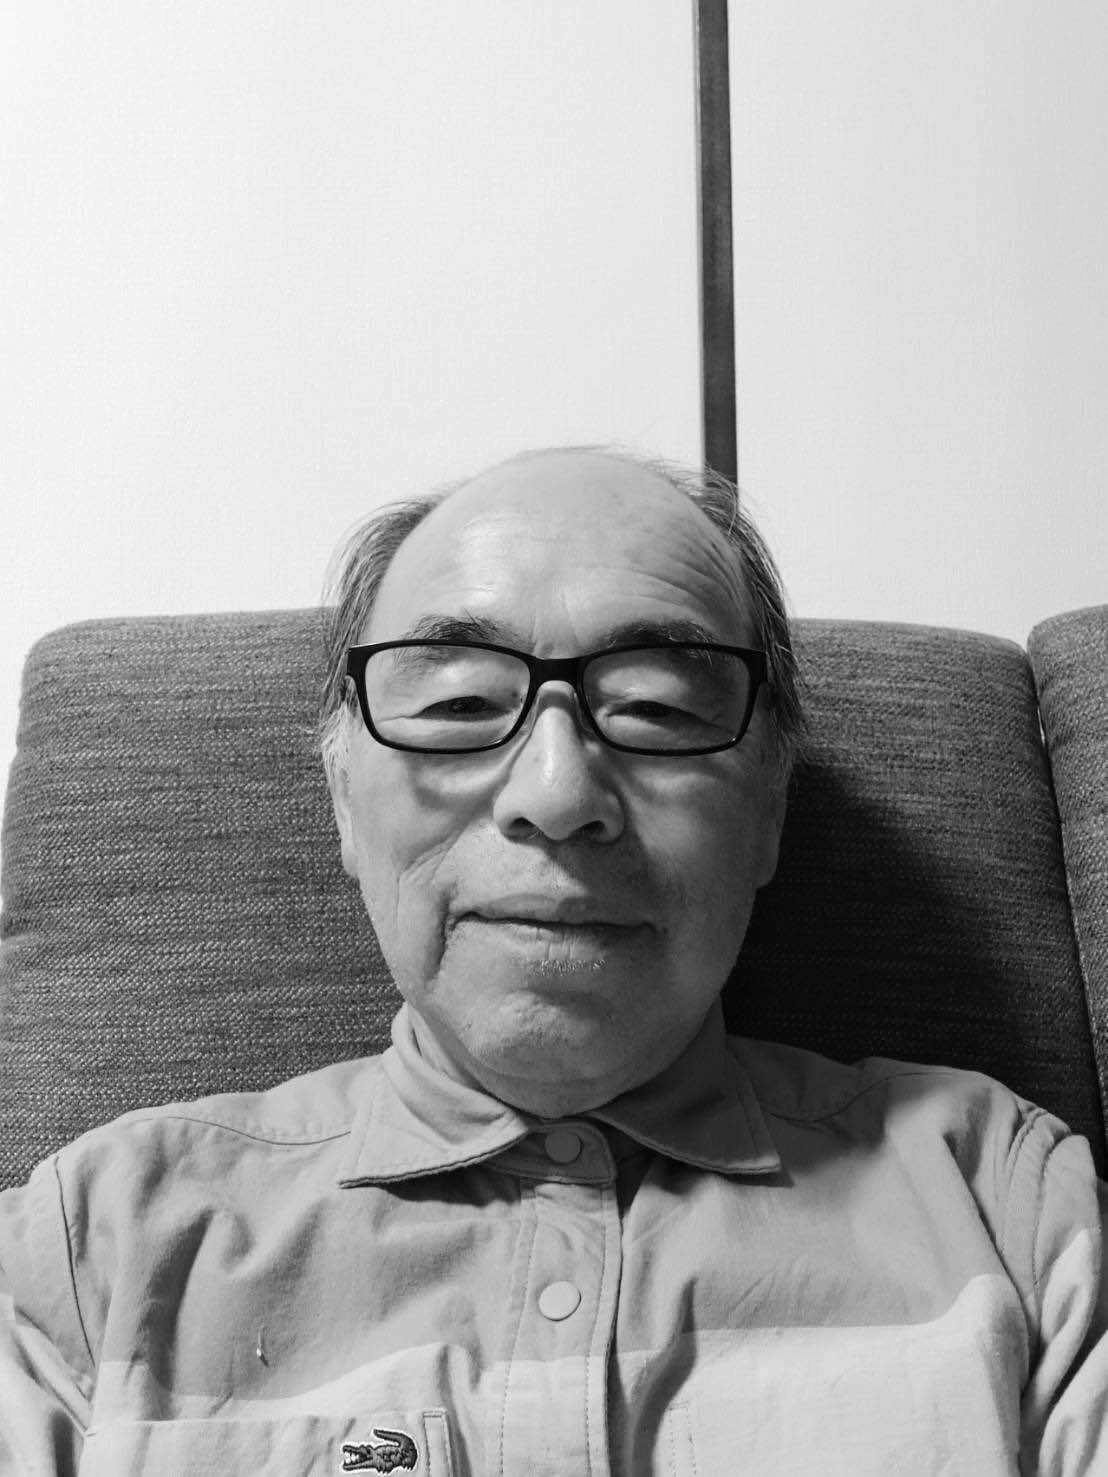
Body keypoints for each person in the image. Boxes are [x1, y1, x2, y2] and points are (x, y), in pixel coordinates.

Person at [0, 446, 1104, 1475]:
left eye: (656, 708)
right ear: (342, 800)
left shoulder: (1009, 1205)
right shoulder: (94, 1248)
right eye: (459, 703)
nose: (558, 793)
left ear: (769, 807)